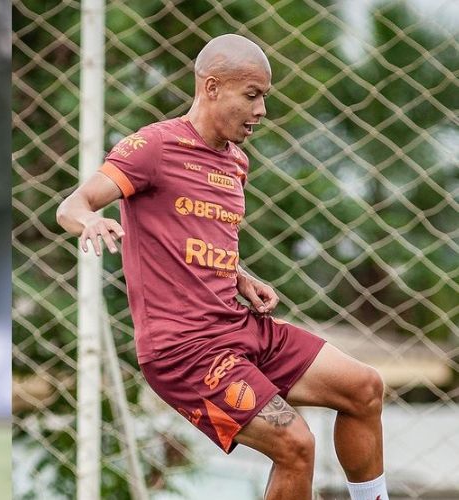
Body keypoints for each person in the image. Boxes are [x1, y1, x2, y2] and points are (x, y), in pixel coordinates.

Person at [56, 34, 388, 500]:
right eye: (251, 95)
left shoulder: (236, 163)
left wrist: (239, 276)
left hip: (237, 326)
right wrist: (90, 219)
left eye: (265, 98)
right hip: (185, 351)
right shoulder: (153, 147)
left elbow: (196, 239)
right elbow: (73, 203)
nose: (261, 111)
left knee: (364, 388)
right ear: (211, 87)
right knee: (295, 445)